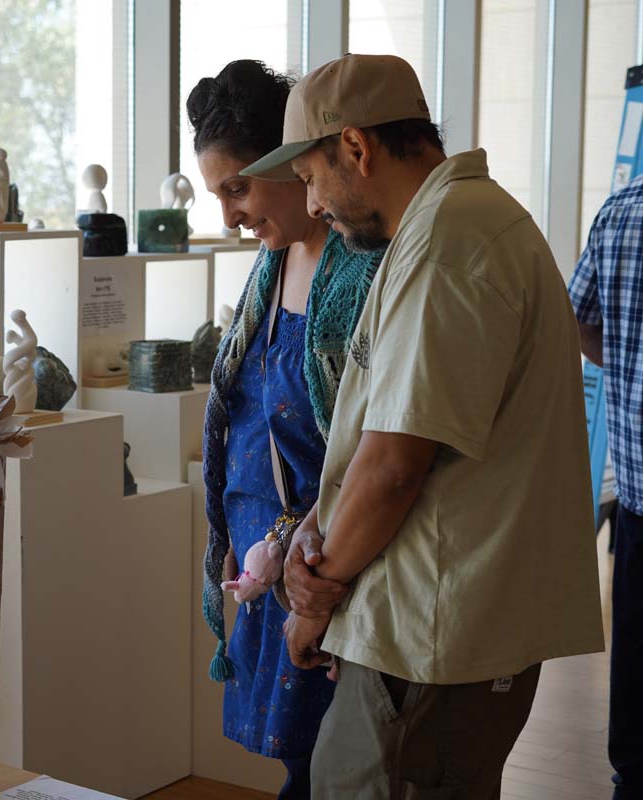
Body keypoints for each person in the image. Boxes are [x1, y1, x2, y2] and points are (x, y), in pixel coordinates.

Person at [242, 54, 605, 798]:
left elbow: (394, 464)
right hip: (438, 626)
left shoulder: (448, 243)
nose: (312, 206)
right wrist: (318, 522)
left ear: (356, 148)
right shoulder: (455, 227)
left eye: (310, 177)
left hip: (431, 637)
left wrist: (317, 596)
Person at [192, 59, 383, 799]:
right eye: (218, 196)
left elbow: (370, 443)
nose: (229, 215)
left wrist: (304, 559)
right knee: (300, 761)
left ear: (292, 161)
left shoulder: (362, 269)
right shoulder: (269, 266)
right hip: (265, 567)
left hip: (324, 568)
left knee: (328, 764)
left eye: (237, 188)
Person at [569, 176, 643, 799]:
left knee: (639, 647)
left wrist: (624, 360)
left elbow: (578, 318)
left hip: (640, 489)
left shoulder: (622, 209)